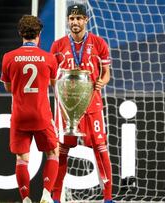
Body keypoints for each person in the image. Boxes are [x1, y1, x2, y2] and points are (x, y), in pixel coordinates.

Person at [50, 4, 113, 203]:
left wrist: (104, 80)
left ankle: (108, 198)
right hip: (67, 107)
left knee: (100, 147)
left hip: (92, 103)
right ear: (68, 21)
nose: (75, 22)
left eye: (79, 18)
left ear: (86, 20)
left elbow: (106, 72)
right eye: (72, 18)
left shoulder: (99, 43)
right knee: (62, 150)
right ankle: (56, 197)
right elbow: (52, 76)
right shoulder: (58, 45)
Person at [1, 15, 59, 203]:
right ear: (39, 34)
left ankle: (25, 199)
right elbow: (53, 85)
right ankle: (46, 195)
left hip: (19, 115)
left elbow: (8, 88)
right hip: (41, 114)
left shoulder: (8, 57)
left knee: (22, 159)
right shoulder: (49, 58)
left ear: (20, 33)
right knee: (53, 152)